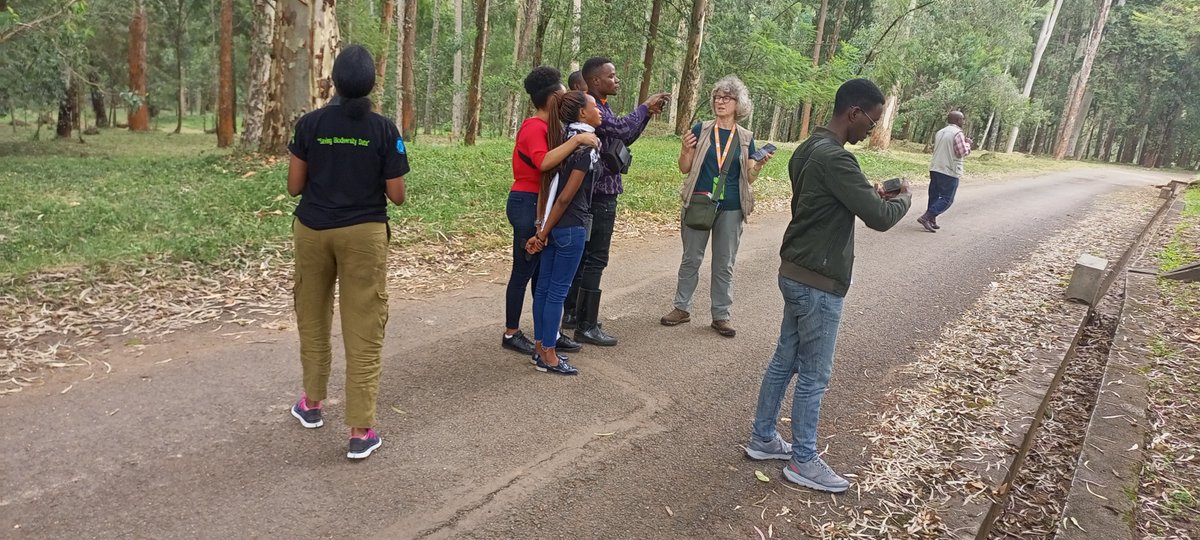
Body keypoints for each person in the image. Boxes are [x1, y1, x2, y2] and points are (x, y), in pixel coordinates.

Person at [745, 79, 911, 492]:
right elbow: (880, 217)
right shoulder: (836, 159)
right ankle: (803, 460)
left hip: (795, 270)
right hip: (819, 281)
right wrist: (903, 196)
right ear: (854, 111)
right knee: (815, 374)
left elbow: (828, 200)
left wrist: (865, 192)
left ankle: (764, 437)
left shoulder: (807, 149)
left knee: (786, 359)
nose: (872, 131)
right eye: (871, 121)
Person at [285, 45, 410, 460]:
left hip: (313, 231)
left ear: (333, 81)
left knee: (313, 317)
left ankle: (312, 404)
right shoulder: (385, 129)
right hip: (363, 235)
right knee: (364, 329)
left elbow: (294, 187)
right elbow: (397, 196)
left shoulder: (309, 124)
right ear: (372, 83)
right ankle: (360, 429)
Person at [562, 56, 670, 346]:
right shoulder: (593, 107)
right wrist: (644, 107)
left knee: (584, 258)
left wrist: (645, 114)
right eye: (611, 76)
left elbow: (625, 136)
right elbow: (621, 130)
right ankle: (586, 324)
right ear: (596, 81)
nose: (616, 80)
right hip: (601, 194)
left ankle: (573, 313)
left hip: (591, 193)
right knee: (595, 257)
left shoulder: (599, 107)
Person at [660, 76, 773, 337]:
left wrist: (758, 165)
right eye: (717, 98)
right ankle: (681, 308)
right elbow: (684, 168)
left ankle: (721, 315)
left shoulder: (745, 138)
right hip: (700, 202)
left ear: (738, 104)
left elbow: (749, 176)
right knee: (691, 258)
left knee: (725, 263)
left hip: (732, 206)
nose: (720, 102)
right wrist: (685, 150)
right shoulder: (701, 129)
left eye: (727, 98)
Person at [502, 66, 598, 357]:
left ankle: (548, 334)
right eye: (563, 94)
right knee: (524, 269)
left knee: (541, 275)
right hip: (526, 201)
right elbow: (543, 163)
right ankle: (511, 332)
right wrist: (577, 141)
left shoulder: (553, 128)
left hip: (540, 201)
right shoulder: (535, 127)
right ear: (554, 97)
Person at [524, 91, 604, 375]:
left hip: (552, 225)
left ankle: (539, 348)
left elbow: (547, 189)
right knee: (557, 293)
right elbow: (565, 198)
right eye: (595, 106)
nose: (600, 111)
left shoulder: (558, 143)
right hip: (570, 228)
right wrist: (543, 232)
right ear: (582, 114)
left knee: (544, 291)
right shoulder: (585, 149)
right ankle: (550, 355)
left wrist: (542, 229)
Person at [918, 111, 972, 233]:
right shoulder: (957, 133)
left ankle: (931, 220)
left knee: (934, 195)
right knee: (947, 198)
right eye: (962, 119)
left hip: (935, 167)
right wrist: (968, 144)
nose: (964, 121)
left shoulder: (940, 132)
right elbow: (961, 152)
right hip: (949, 169)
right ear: (958, 120)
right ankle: (926, 217)